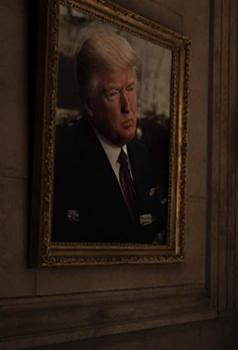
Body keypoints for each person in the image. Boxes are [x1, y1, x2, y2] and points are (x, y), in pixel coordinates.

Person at [51, 34, 166, 244]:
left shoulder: (140, 153)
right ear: (89, 105)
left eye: (130, 88)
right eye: (113, 93)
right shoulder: (64, 158)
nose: (127, 106)